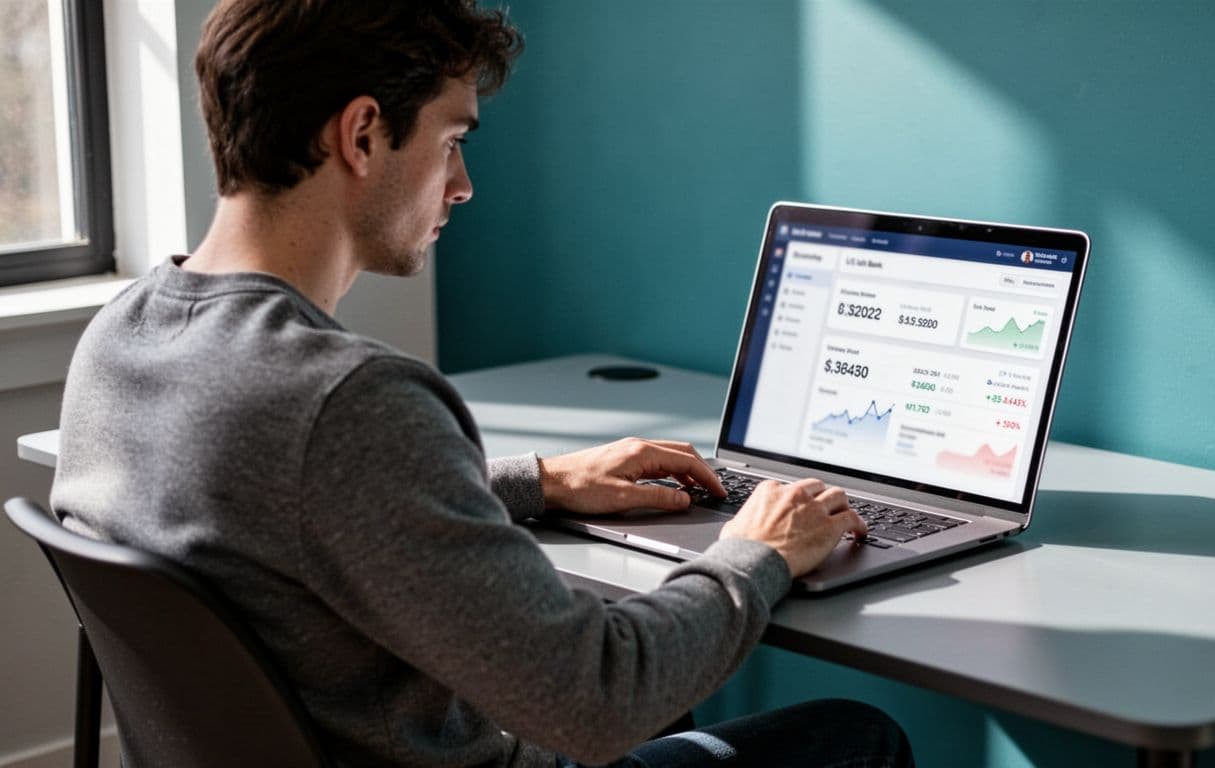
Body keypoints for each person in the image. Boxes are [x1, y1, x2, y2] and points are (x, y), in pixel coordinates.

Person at [51, 2, 914, 766]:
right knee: (852, 733)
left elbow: (272, 517)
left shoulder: (122, 337)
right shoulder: (349, 401)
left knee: (675, 683)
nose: (463, 186)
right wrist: (755, 552)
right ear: (360, 135)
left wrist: (536, 483)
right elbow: (597, 700)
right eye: (452, 142)